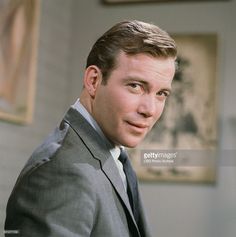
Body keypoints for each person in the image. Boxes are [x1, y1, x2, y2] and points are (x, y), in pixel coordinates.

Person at [4, 20, 177, 237]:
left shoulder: (110, 152)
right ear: (94, 80)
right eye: (135, 86)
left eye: (161, 93)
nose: (149, 109)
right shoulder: (61, 172)